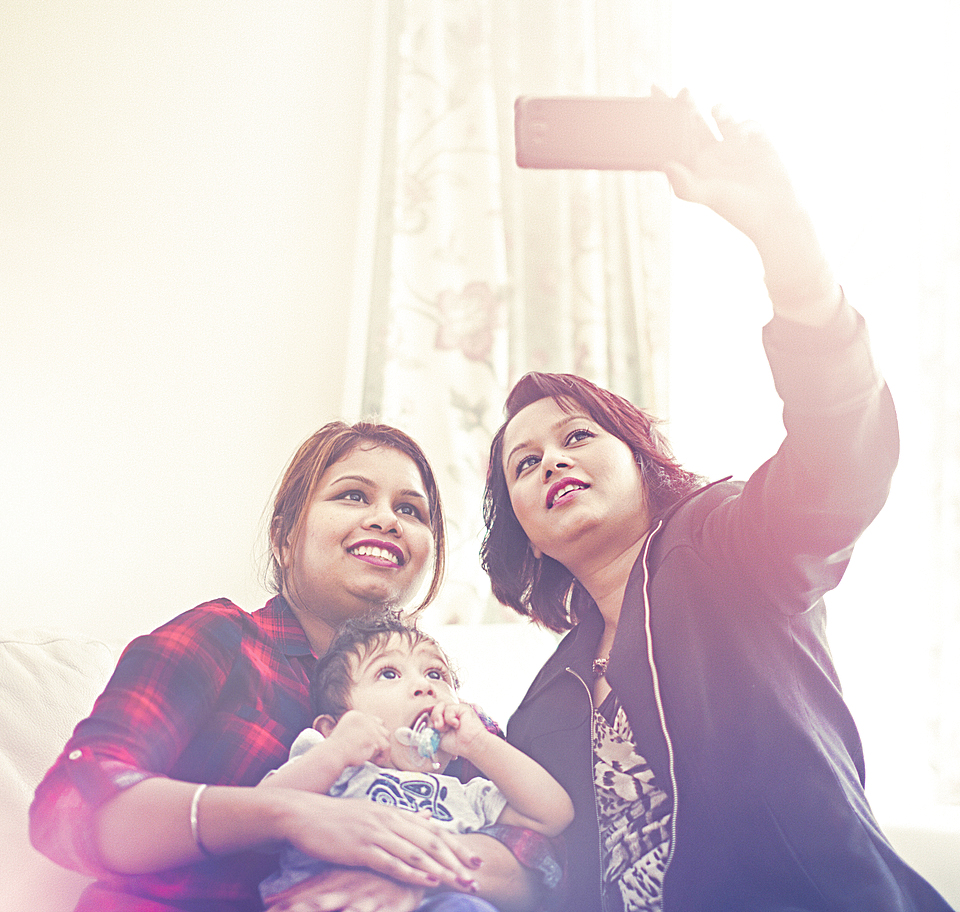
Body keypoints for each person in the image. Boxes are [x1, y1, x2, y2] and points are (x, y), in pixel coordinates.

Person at [480, 94, 956, 912]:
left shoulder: (725, 548)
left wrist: (791, 254)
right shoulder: (543, 706)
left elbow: (838, 466)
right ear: (521, 526)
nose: (552, 460)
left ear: (641, 461)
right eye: (525, 463)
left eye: (578, 437)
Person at [30, 421, 556, 912]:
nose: (386, 519)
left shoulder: (445, 715)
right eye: (353, 495)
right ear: (284, 538)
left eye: (412, 511)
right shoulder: (220, 638)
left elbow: (538, 866)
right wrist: (289, 814)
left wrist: (411, 875)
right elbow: (70, 807)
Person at [258, 611, 573, 911]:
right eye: (389, 673)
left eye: (436, 674)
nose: (425, 686)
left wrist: (478, 743)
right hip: (324, 900)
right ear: (332, 726)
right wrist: (337, 748)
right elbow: (262, 813)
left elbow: (554, 815)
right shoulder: (329, 763)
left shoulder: (464, 794)